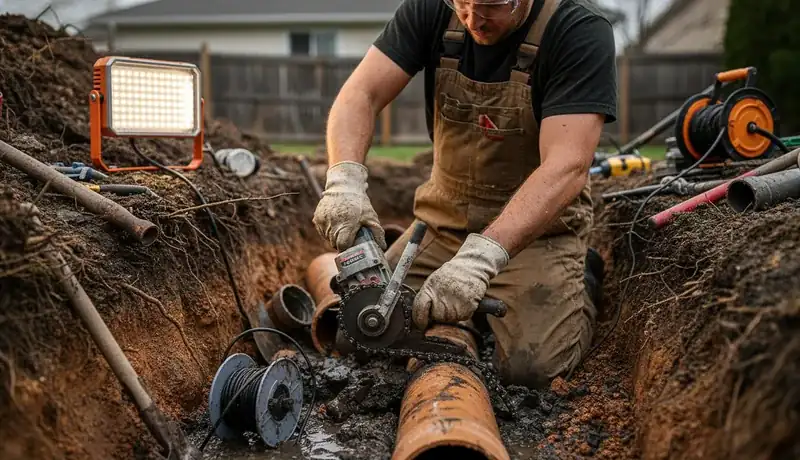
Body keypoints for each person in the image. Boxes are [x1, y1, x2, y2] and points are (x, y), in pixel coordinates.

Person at [313, 0, 615, 387]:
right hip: (442, 227)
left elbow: (567, 166)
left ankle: (582, 278)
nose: (472, 19)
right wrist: (344, 179)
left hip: (536, 239)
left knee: (532, 369)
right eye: (461, 3)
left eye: (491, 5)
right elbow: (360, 94)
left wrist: (481, 259)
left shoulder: (578, 30)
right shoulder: (432, 10)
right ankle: (465, 313)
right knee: (361, 334)